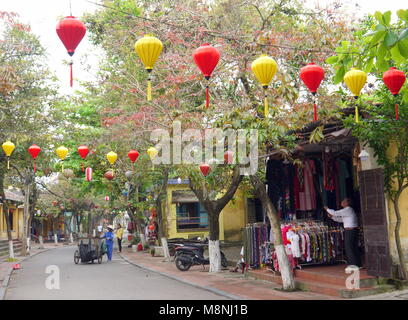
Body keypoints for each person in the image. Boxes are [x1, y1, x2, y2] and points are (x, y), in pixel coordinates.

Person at [324, 198, 362, 269]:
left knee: (349, 248)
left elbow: (336, 213)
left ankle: (353, 265)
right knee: (353, 247)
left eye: (343, 201)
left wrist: (327, 209)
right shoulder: (348, 211)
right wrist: (332, 217)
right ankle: (358, 264)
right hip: (351, 230)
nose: (342, 202)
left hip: (350, 231)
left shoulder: (347, 209)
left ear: (347, 203)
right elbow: (341, 219)